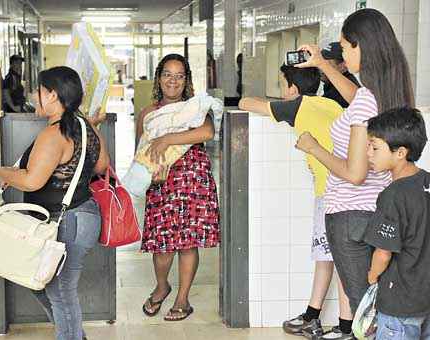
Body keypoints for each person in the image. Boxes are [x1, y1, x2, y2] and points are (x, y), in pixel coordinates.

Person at [295, 8, 414, 339]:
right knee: (376, 304)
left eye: (346, 48)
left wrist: (315, 148)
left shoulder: (366, 103)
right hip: (374, 213)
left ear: (363, 47)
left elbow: (355, 172)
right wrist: (323, 65)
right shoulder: (388, 95)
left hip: (349, 217)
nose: (344, 56)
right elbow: (355, 97)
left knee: (365, 313)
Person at [239, 64, 353, 339]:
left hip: (333, 192)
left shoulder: (298, 106)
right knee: (325, 255)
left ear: (292, 88)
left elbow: (245, 102)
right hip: (342, 188)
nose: (281, 89)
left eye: (282, 83)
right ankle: (312, 315)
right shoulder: (329, 104)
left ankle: (347, 327)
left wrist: (279, 103)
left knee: (340, 259)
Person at [0, 66, 110, 340]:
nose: (35, 97)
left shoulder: (55, 134)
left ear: (52, 95)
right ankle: (73, 333)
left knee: (60, 291)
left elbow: (33, 181)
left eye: (39, 91)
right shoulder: (86, 128)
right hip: (82, 217)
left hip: (66, 222)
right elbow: (102, 165)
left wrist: (4, 173)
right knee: (43, 283)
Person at [137, 54, 220, 321]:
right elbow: (141, 150)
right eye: (167, 75)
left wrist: (168, 138)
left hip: (192, 180)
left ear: (186, 81)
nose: (173, 81)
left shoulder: (195, 107)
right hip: (162, 181)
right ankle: (162, 286)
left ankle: (182, 299)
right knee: (162, 245)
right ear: (159, 78)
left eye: (179, 76)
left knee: (187, 243)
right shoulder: (148, 113)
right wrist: (151, 171)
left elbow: (206, 132)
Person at [364, 107, 430, 340]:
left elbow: (383, 253)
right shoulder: (427, 182)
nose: (368, 153)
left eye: (374, 147)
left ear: (400, 152)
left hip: (400, 304)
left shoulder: (393, 195)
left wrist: (372, 277)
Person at [320, 42, 360, 108]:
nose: (320, 68)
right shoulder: (333, 85)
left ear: (343, 66)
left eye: (327, 64)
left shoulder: (341, 93)